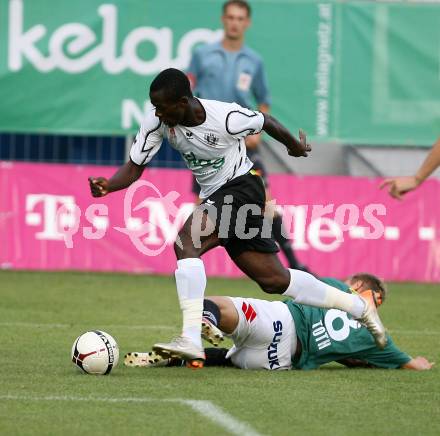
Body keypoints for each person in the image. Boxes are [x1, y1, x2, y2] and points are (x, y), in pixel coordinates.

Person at [89, 68, 386, 365]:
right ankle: (358, 307)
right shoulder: (157, 123)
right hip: (218, 197)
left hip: (243, 187)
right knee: (274, 280)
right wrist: (109, 185)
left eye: (163, 107)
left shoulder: (225, 117)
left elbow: (264, 120)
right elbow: (134, 166)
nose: (157, 112)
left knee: (185, 243)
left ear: (182, 102)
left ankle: (191, 338)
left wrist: (292, 145)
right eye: (155, 106)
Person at [187, 0, 309, 271]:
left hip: (243, 145)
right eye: (230, 17)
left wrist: (257, 134)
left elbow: (263, 101)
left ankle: (295, 265)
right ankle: (189, 265)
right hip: (209, 146)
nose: (235, 22)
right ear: (223, 19)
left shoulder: (254, 61)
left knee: (266, 205)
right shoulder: (202, 54)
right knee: (202, 211)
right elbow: (188, 91)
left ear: (247, 23)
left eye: (240, 18)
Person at [124, 273, 433, 371]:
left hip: (280, 322)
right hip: (279, 361)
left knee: (210, 304)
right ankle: (187, 357)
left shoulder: (338, 289)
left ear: (358, 285)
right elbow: (411, 364)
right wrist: (419, 363)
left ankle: (208, 324)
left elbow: (304, 288)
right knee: (233, 359)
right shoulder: (377, 340)